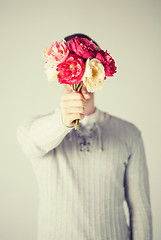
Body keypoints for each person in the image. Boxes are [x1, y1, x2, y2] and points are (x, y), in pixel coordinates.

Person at [16, 33, 153, 240]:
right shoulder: (33, 128)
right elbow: (34, 142)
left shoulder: (129, 134)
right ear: (57, 69)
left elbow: (140, 211)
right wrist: (63, 121)